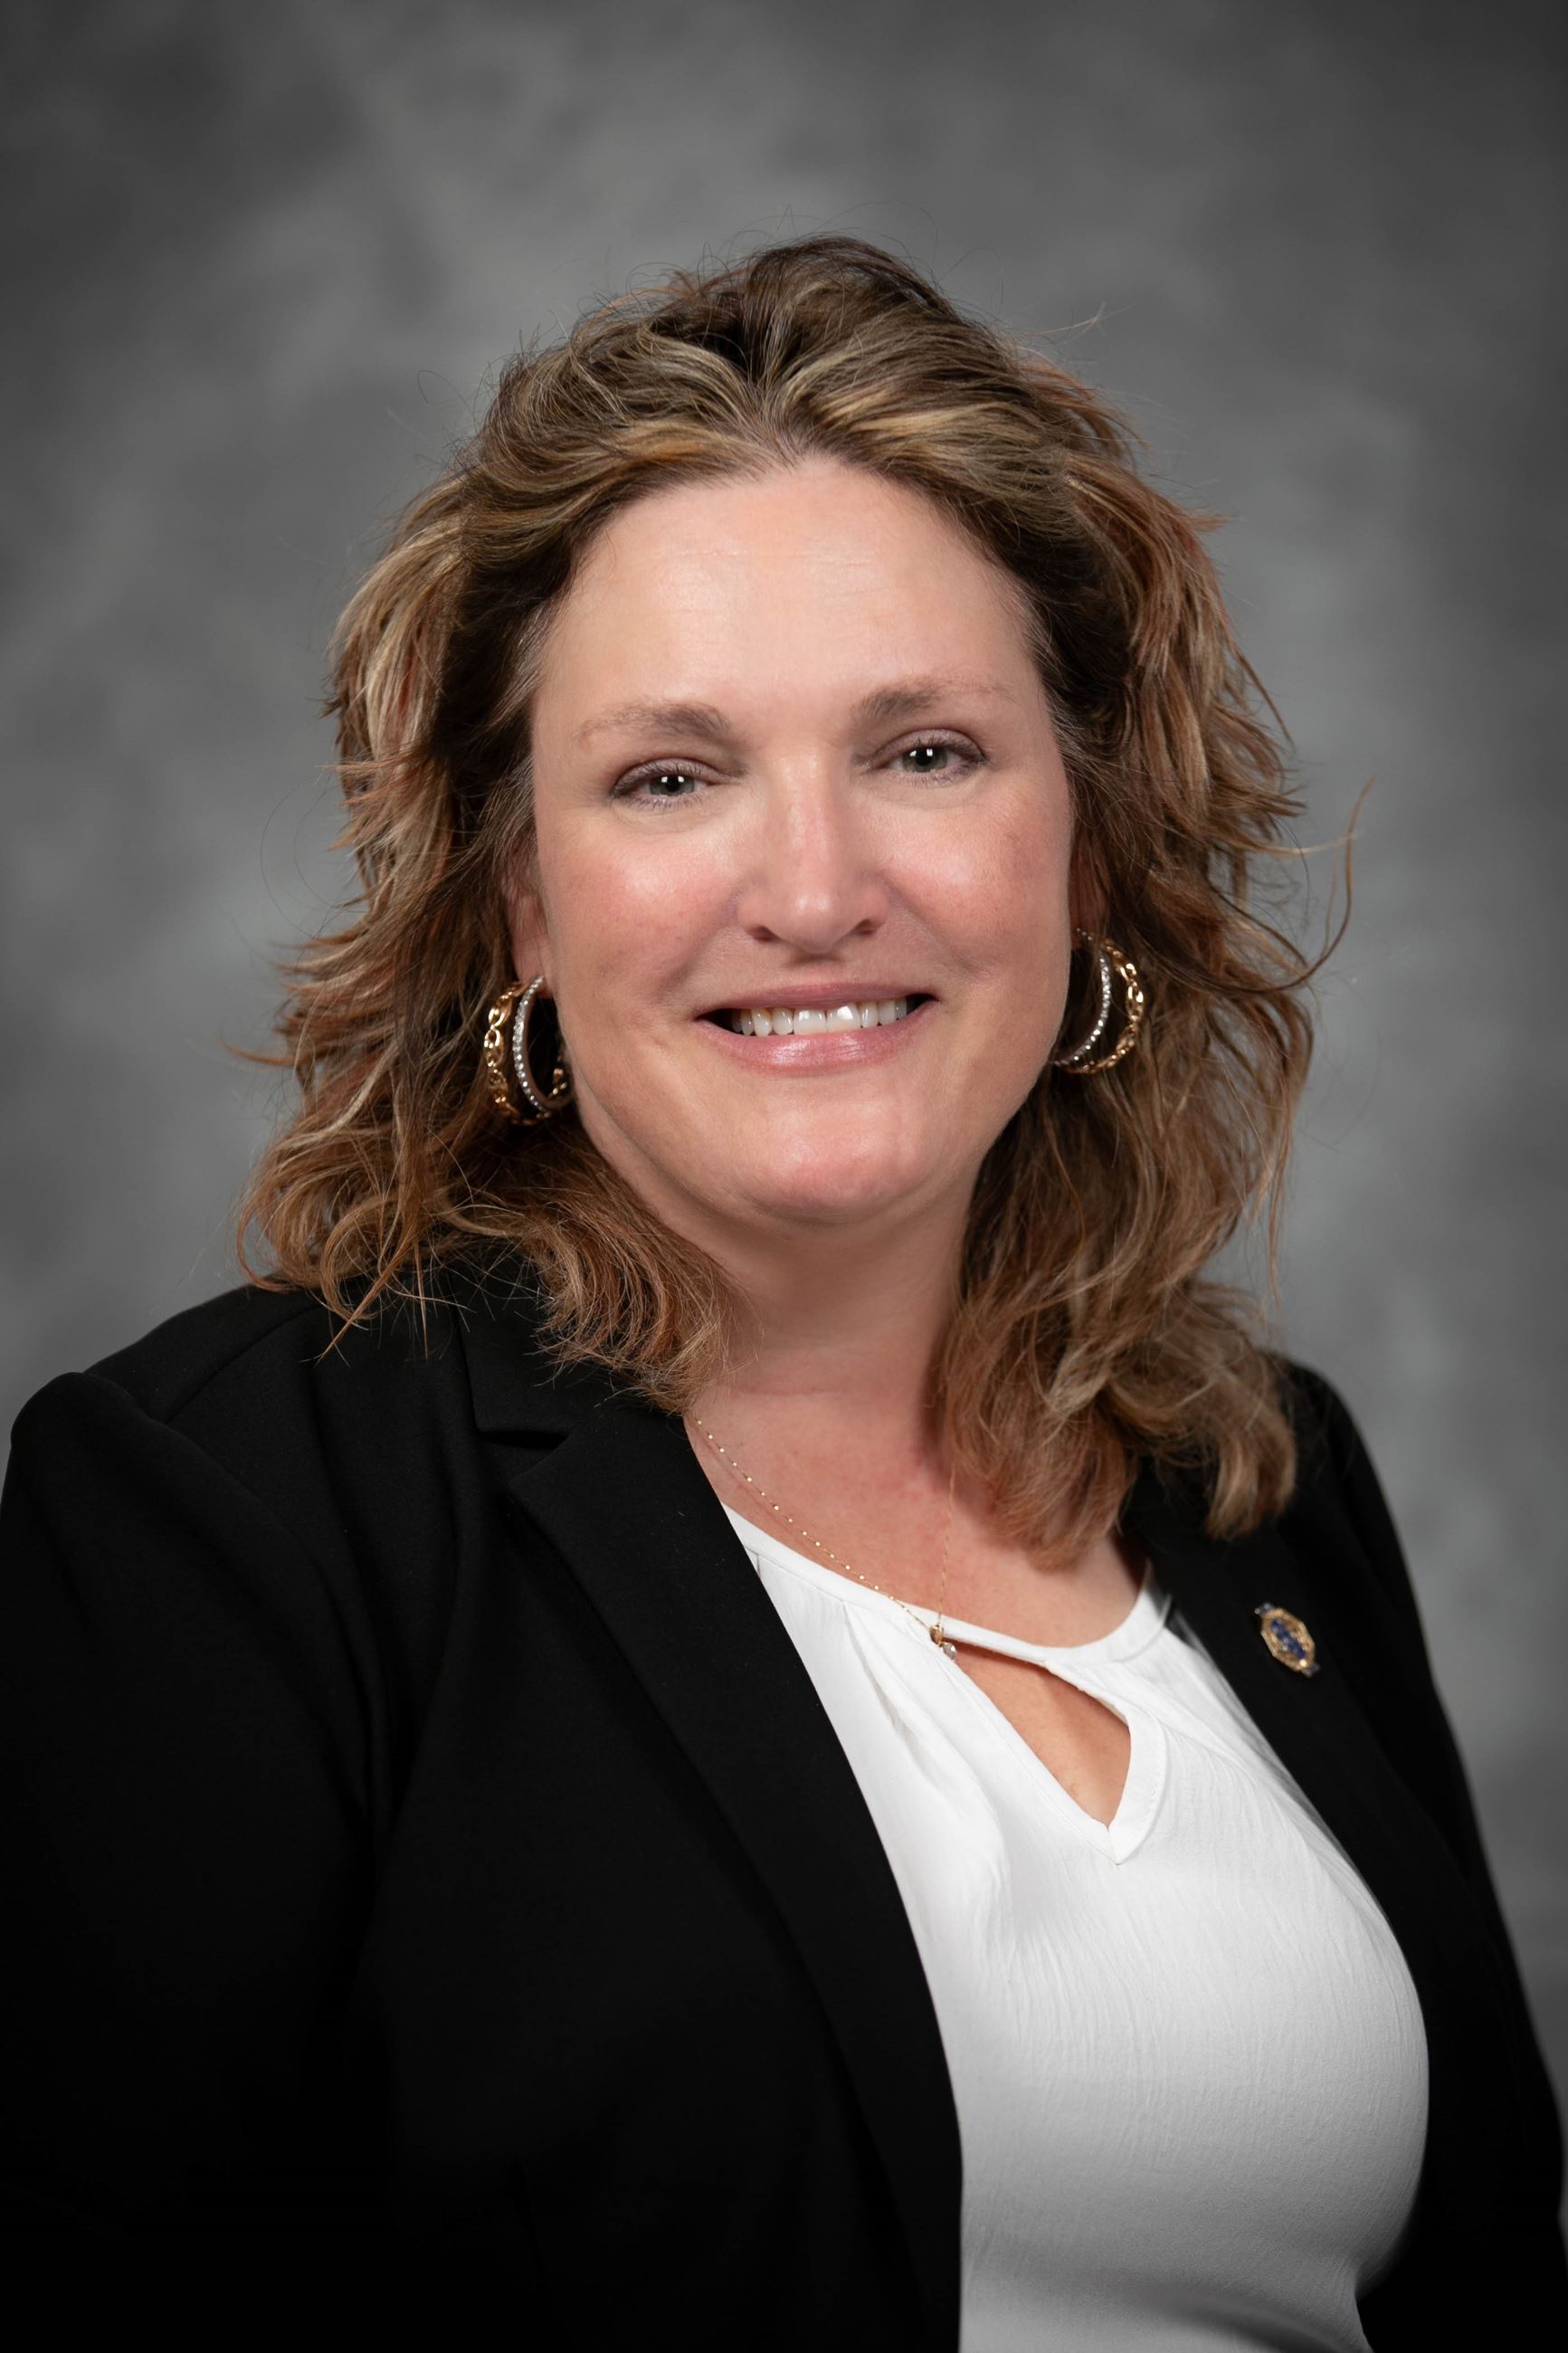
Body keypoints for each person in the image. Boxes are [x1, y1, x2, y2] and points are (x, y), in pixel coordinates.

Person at [0, 234, 1561, 2348]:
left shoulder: (1255, 1472)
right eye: (671, 774)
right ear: (520, 902)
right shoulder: (234, 1518)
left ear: (1084, 849)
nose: (817, 889)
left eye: (925, 750)